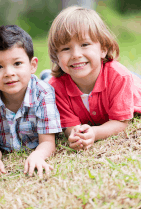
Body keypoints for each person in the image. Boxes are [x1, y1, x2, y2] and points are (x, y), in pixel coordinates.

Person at [0, 25, 62, 178]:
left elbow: (47, 141)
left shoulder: (43, 93)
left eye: (17, 64)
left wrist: (38, 155)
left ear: (32, 65)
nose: (9, 73)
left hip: (40, 90)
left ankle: (47, 76)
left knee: (48, 83)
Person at [47, 6, 141, 151]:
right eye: (66, 48)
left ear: (103, 49)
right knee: (47, 82)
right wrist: (76, 136)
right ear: (56, 57)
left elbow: (120, 122)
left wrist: (95, 133)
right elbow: (70, 126)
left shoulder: (120, 77)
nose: (76, 55)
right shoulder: (55, 88)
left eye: (84, 45)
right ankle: (47, 74)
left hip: (134, 84)